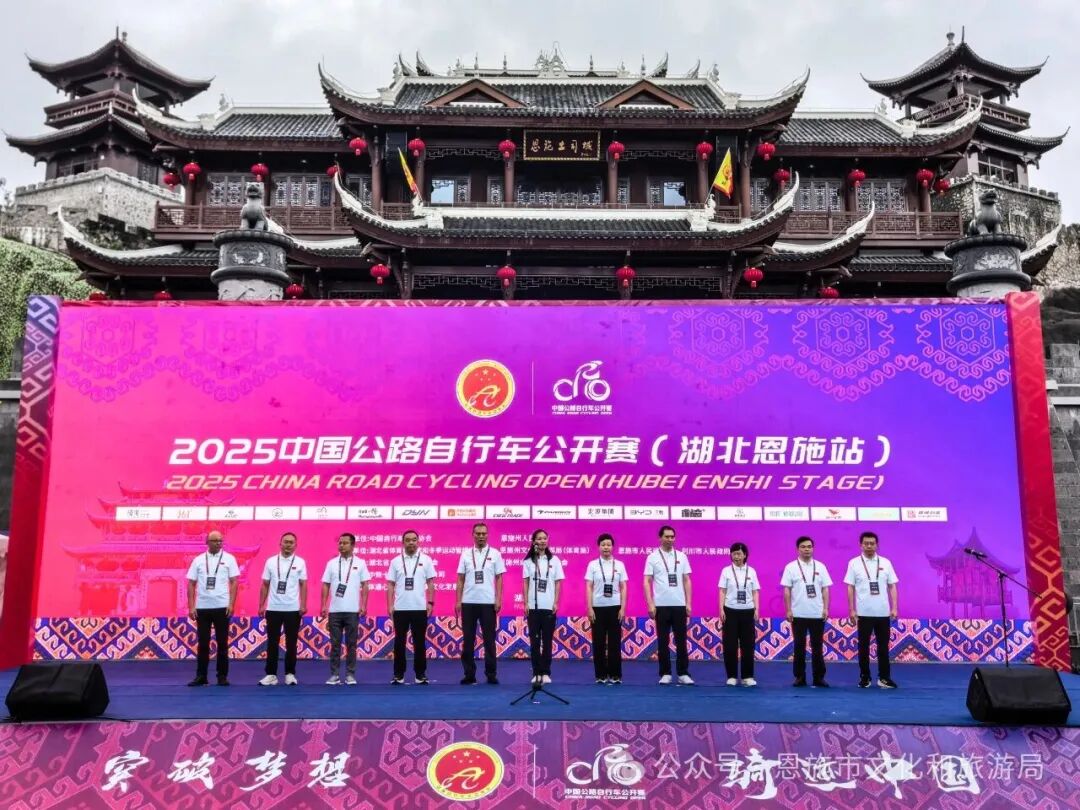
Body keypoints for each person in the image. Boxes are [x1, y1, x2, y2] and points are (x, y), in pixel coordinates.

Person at [845, 531, 900, 689]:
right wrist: (852, 609)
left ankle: (884, 678)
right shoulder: (854, 563)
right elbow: (850, 587)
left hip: (883, 613)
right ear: (860, 545)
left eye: (872, 543)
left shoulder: (886, 563)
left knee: (883, 647)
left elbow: (892, 586)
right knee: (863, 647)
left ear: (877, 545)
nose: (869, 546)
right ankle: (865, 677)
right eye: (866, 543)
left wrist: (894, 607)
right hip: (863, 614)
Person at [186, 530, 240, 687]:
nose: (218, 543)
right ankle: (201, 676)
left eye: (220, 541)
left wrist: (231, 604)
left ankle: (222, 676)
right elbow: (191, 583)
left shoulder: (229, 559)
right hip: (202, 607)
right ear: (207, 542)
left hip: (222, 607)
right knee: (203, 643)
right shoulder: (198, 560)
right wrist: (191, 606)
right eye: (215, 541)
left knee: (222, 643)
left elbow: (234, 582)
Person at [455, 522, 506, 685]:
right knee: (468, 640)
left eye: (484, 533)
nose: (481, 536)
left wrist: (498, 599)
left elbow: (499, 578)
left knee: (489, 640)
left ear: (487, 535)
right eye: (478, 534)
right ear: (473, 535)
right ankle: (469, 674)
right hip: (468, 602)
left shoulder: (495, 554)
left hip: (488, 603)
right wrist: (458, 601)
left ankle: (491, 674)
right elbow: (460, 579)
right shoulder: (465, 554)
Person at [386, 528, 437, 685]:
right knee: (399, 643)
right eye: (408, 540)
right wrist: (390, 605)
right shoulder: (395, 561)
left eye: (414, 540)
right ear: (403, 542)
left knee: (419, 642)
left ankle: (420, 675)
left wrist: (430, 602)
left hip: (419, 608)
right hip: (400, 608)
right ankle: (398, 675)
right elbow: (390, 584)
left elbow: (431, 583)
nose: (411, 542)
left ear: (418, 542)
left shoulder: (426, 560)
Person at [644, 525, 694, 685]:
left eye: (672, 537)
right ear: (660, 538)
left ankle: (683, 673)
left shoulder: (682, 556)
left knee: (681, 641)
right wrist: (650, 604)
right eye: (667, 536)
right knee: (663, 641)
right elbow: (646, 581)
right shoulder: (652, 557)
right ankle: (665, 673)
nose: (670, 539)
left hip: (679, 605)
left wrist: (688, 603)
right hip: (661, 605)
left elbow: (686, 580)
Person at [319, 533, 370, 685]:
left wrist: (363, 605)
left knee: (351, 645)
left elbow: (365, 585)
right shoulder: (332, 563)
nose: (341, 545)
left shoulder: (360, 563)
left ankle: (350, 675)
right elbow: (326, 584)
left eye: (345, 543)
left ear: (353, 545)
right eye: (340, 543)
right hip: (335, 611)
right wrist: (323, 605)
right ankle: (334, 675)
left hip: (352, 611)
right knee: (335, 645)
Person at [258, 531, 308, 686]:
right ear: (280, 544)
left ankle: (290, 674)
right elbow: (265, 584)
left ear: (296, 545)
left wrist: (303, 604)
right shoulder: (271, 561)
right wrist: (261, 605)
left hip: (293, 609)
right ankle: (271, 675)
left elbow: (303, 584)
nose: (288, 544)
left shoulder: (300, 562)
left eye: (291, 542)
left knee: (291, 643)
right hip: (273, 608)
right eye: (285, 541)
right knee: (272, 642)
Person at [781, 536, 832, 688]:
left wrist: (825, 608)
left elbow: (825, 589)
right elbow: (787, 590)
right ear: (798, 549)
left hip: (817, 613)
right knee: (799, 646)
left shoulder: (820, 566)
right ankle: (799, 677)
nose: (807, 549)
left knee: (817, 647)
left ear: (813, 548)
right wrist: (788, 609)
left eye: (809, 546)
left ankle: (819, 678)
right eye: (803, 547)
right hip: (798, 614)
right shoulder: (791, 567)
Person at [522, 529, 565, 685]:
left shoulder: (555, 560)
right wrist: (526, 602)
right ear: (534, 541)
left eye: (544, 538)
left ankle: (546, 672)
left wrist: (555, 602)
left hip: (548, 606)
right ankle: (536, 672)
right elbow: (526, 583)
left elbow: (558, 583)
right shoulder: (528, 561)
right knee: (534, 642)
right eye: (539, 538)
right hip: (533, 607)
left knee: (547, 641)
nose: (542, 541)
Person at [585, 533, 627, 684]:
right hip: (597, 608)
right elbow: (589, 587)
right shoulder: (593, 565)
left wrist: (623, 608)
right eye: (603, 545)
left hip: (615, 607)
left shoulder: (620, 565)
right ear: (599, 547)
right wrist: (590, 608)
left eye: (608, 545)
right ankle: (600, 675)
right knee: (599, 642)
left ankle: (615, 675)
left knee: (615, 642)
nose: (606, 547)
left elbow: (623, 587)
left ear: (613, 547)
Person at [719, 542, 760, 686]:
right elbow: (722, 591)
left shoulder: (752, 571)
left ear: (745, 555)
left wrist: (756, 609)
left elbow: (755, 592)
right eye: (734, 553)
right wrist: (721, 609)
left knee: (748, 645)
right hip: (730, 610)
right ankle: (731, 676)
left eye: (739, 554)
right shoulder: (726, 571)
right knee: (730, 645)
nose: (736, 556)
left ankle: (747, 676)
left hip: (748, 611)